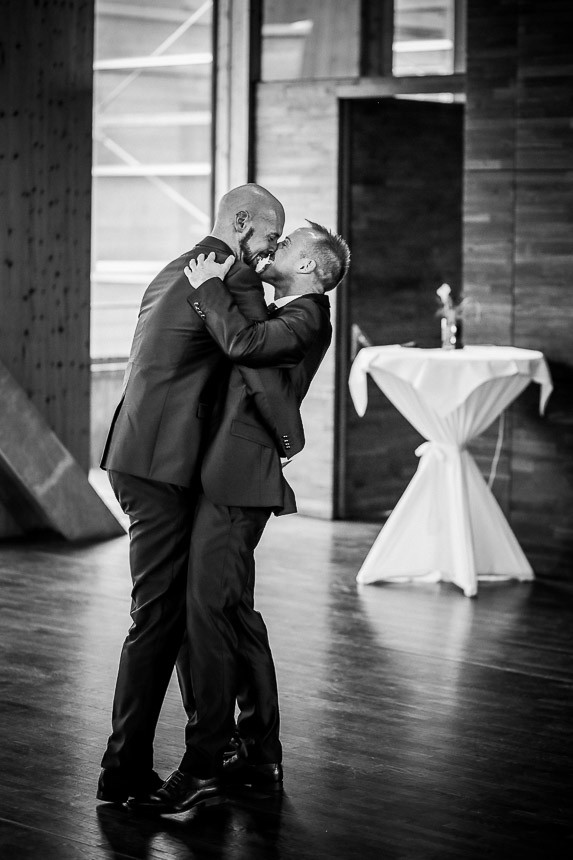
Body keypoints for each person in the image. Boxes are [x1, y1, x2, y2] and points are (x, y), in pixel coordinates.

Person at [96, 184, 325, 806]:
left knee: (199, 611)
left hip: (144, 457)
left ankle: (216, 749)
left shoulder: (181, 268)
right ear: (241, 224)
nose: (269, 251)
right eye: (268, 237)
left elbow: (255, 357)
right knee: (166, 618)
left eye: (281, 244)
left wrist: (282, 427)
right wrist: (287, 432)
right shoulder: (226, 277)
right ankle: (133, 770)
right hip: (163, 469)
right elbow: (250, 351)